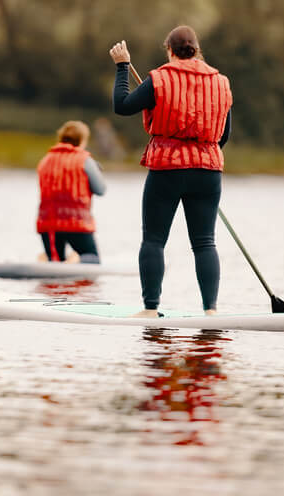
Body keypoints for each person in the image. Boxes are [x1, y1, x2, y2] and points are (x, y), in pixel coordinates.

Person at [109, 25, 232, 317]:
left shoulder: (159, 79)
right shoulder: (221, 82)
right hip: (208, 167)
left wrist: (122, 66)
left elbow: (122, 106)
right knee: (204, 243)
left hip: (167, 167)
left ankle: (151, 309)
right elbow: (223, 135)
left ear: (169, 50)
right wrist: (201, 156)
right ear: (197, 50)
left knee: (154, 240)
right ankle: (211, 311)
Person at [36, 120, 106, 264]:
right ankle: (76, 258)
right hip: (76, 223)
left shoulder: (46, 160)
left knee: (55, 261)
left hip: (48, 223)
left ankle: (46, 258)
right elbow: (101, 190)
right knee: (92, 258)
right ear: (82, 140)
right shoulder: (85, 160)